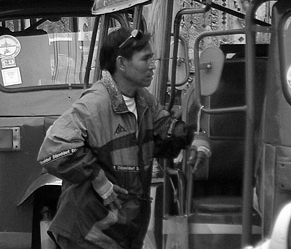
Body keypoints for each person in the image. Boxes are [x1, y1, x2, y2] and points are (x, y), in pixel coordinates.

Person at [37, 27, 208, 249]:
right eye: (146, 59)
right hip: (87, 232)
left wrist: (195, 139)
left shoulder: (143, 100)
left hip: (122, 230)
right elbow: (52, 151)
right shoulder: (96, 104)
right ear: (122, 63)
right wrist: (99, 180)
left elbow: (166, 130)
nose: (153, 66)